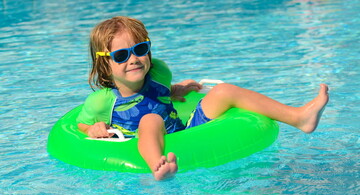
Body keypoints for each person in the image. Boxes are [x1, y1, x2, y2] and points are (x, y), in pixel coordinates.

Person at [77, 16, 329, 181]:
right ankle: (158, 165)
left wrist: (177, 90)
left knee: (224, 91)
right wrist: (93, 128)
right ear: (104, 64)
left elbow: (159, 93)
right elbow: (80, 125)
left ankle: (298, 117)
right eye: (121, 55)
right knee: (150, 119)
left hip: (185, 132)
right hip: (141, 139)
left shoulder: (160, 72)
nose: (133, 59)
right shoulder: (102, 101)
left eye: (140, 49)